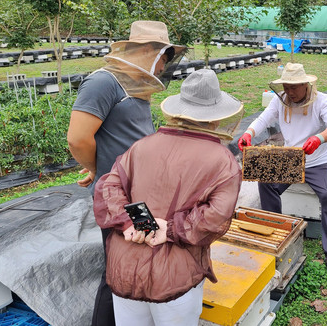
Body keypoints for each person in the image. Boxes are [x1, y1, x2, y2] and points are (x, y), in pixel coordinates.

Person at [92, 68, 243, 326]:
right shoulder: (223, 161)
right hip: (175, 276)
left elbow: (108, 187)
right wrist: (170, 229)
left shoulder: (142, 145)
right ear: (215, 118)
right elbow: (217, 215)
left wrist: (135, 223)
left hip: (126, 268)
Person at [67, 20, 186, 326]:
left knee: (134, 265)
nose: (165, 66)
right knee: (119, 273)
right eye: (165, 57)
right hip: (121, 200)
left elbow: (119, 136)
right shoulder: (102, 83)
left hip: (139, 195)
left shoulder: (135, 84)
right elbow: (78, 138)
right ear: (147, 50)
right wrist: (100, 170)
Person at [237, 62, 327, 282]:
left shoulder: (323, 100)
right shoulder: (281, 102)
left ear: (306, 84)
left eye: (294, 87)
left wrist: (319, 138)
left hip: (317, 161)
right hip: (289, 159)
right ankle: (275, 235)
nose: (290, 92)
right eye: (286, 86)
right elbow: (263, 119)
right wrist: (248, 133)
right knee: (265, 182)